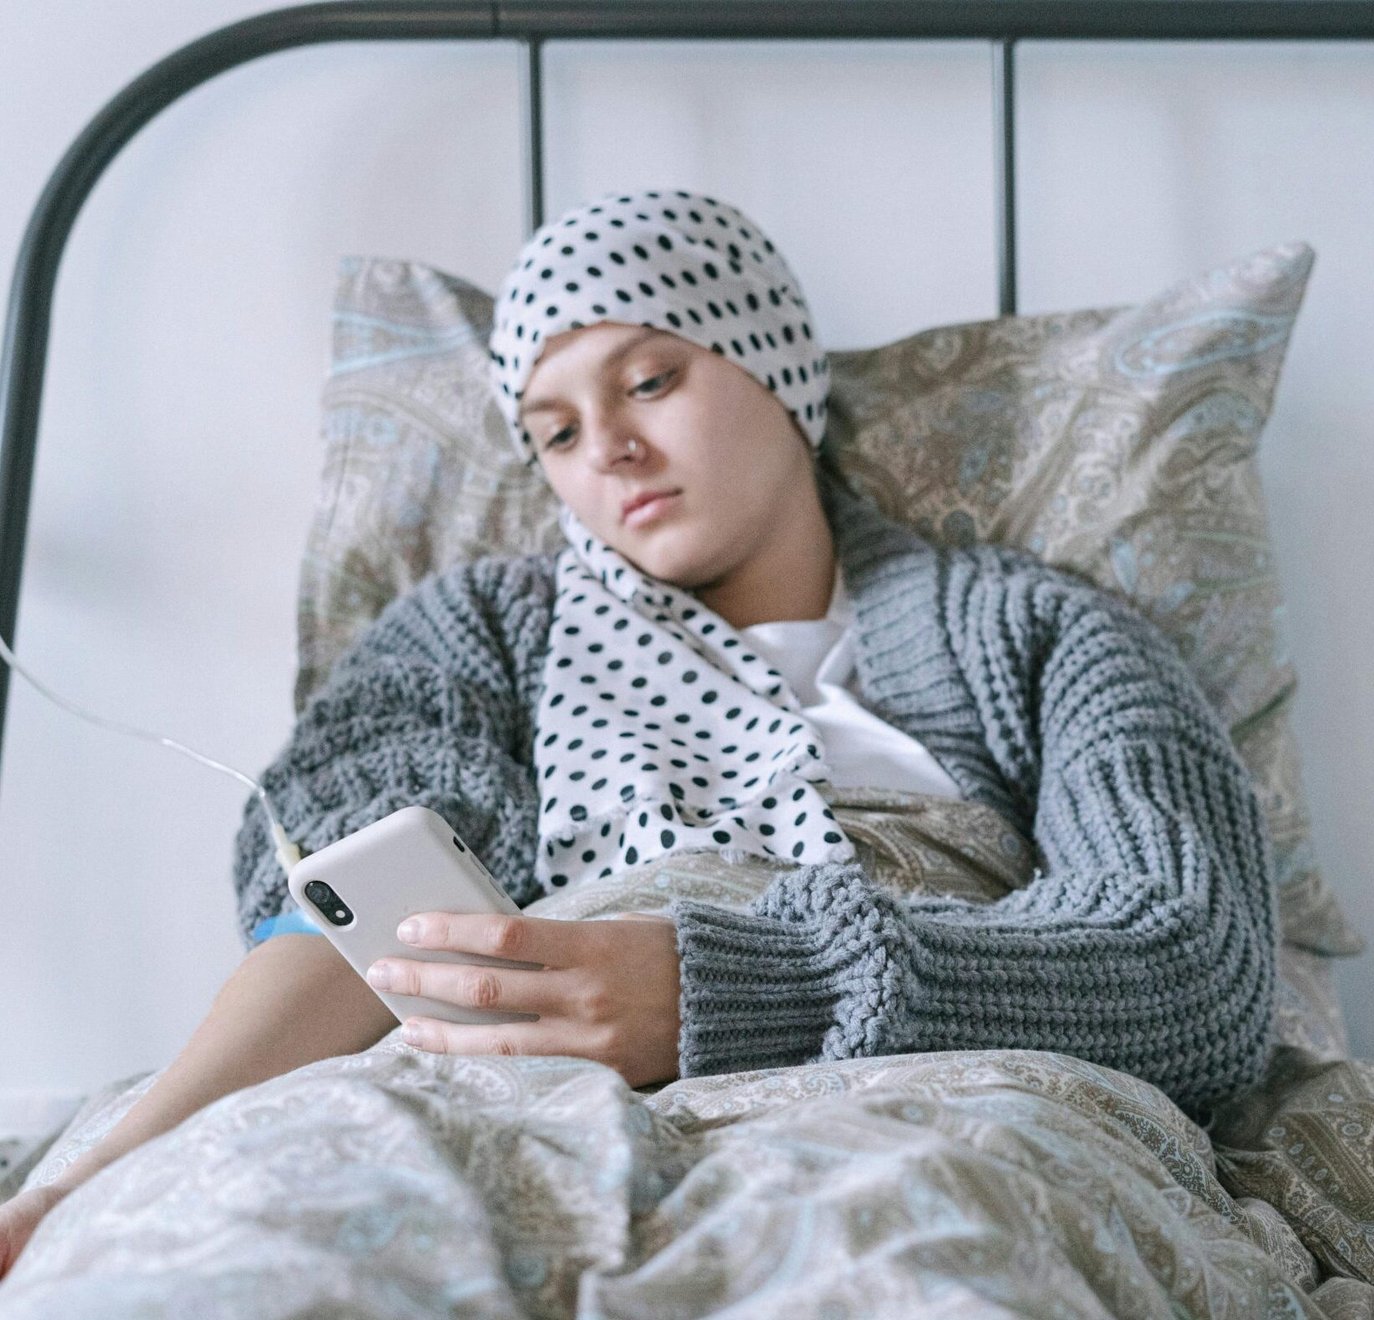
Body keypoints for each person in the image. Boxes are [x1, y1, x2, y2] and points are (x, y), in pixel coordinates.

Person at [0, 188, 1279, 1280]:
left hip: (928, 1095)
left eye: (651, 379)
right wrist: (92, 1178)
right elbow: (362, 924)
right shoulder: (484, 631)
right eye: (553, 432)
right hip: (502, 1088)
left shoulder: (1032, 632)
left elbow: (1194, 967)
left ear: (775, 367)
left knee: (911, 1253)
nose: (607, 448)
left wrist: (742, 990)